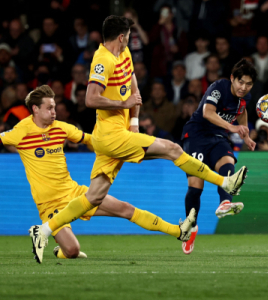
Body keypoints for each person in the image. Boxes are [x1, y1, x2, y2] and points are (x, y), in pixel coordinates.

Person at [29, 16, 248, 264]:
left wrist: (133, 121)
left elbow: (134, 87)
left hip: (119, 134)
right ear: (121, 37)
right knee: (173, 149)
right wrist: (123, 104)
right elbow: (91, 98)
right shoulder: (102, 59)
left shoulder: (124, 54)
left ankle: (44, 230)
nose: (131, 40)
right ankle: (225, 182)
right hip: (111, 136)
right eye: (129, 36)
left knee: (93, 197)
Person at [1, 85, 196, 260]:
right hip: (49, 204)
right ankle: (59, 249)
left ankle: (178, 231)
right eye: (49, 108)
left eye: (54, 107)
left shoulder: (61, 128)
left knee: (125, 208)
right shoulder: (21, 132)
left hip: (74, 193)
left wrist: (119, 146)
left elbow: (91, 140)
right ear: (35, 109)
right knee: (72, 251)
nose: (54, 112)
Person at [181, 59, 257, 255]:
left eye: (248, 84)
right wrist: (232, 127)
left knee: (228, 161)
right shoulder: (219, 87)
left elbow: (241, 112)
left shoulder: (244, 99)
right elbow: (207, 112)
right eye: (241, 82)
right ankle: (191, 228)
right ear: (232, 79)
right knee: (195, 187)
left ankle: (225, 202)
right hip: (196, 135)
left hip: (218, 137)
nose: (243, 87)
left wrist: (246, 136)